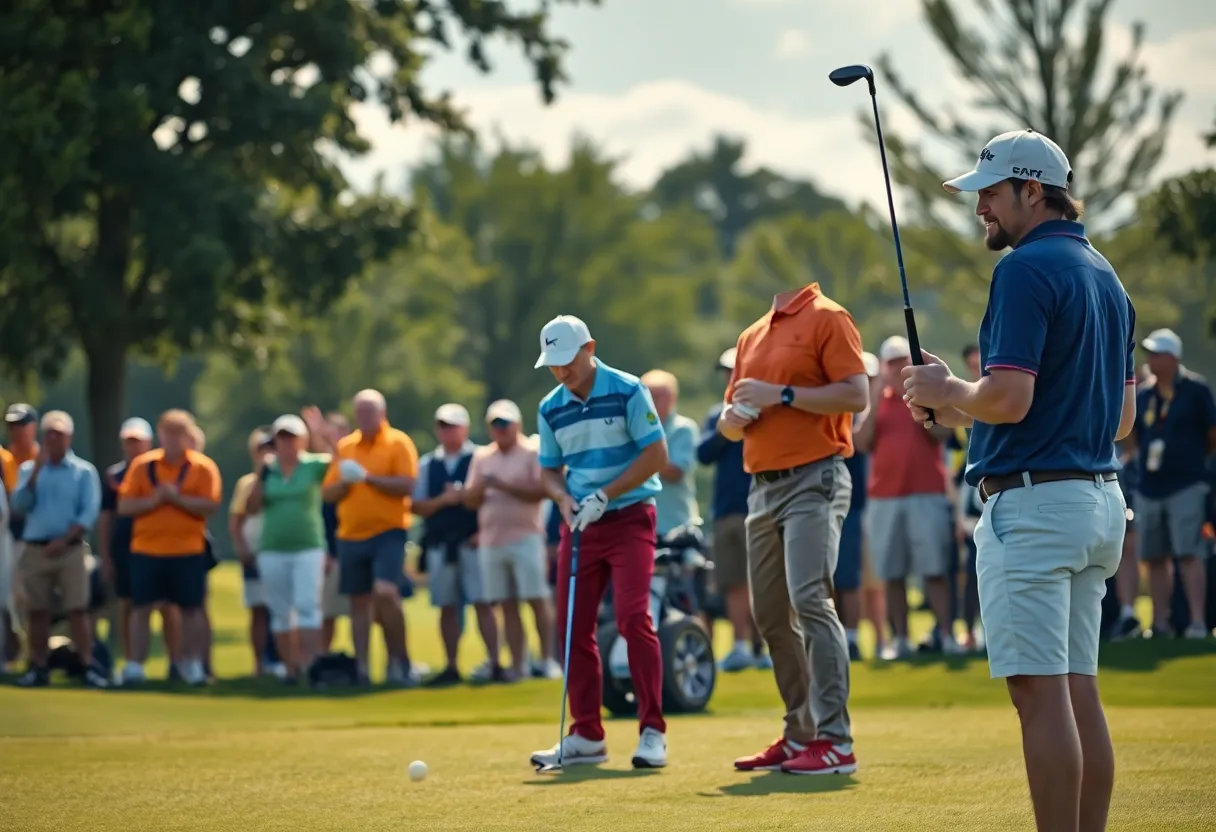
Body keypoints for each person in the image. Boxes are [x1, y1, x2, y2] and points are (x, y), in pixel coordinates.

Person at [903, 129, 1135, 832]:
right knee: (1076, 691)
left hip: (1035, 508)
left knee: (1040, 698)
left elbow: (1007, 400)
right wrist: (955, 402)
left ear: (1033, 191)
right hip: (1097, 502)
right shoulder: (1106, 275)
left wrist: (950, 391)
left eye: (991, 195)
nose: (981, 211)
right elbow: (1120, 418)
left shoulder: (1024, 270)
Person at [719, 281, 867, 776]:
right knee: (769, 615)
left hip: (814, 477)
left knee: (809, 598)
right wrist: (736, 417)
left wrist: (780, 395)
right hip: (760, 488)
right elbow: (727, 422)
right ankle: (800, 732)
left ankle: (836, 741)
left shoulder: (830, 316)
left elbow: (856, 394)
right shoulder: (751, 335)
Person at [528, 315, 670, 771]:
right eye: (553, 364)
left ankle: (652, 731)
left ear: (590, 348)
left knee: (633, 618)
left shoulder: (627, 390)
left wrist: (606, 494)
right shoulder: (550, 407)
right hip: (580, 525)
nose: (561, 372)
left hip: (629, 517)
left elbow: (656, 453)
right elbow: (549, 470)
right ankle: (587, 734)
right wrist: (562, 499)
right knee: (571, 627)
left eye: (567, 361)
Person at [855, 335, 961, 658]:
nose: (897, 367)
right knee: (893, 573)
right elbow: (861, 441)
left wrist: (926, 404)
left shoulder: (925, 396)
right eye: (891, 362)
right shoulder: (879, 400)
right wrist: (874, 398)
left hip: (926, 492)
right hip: (885, 497)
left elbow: (944, 433)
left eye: (902, 360)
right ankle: (899, 640)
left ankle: (946, 634)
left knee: (934, 570)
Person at [322, 389, 421, 686]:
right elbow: (328, 492)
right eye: (360, 412)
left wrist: (368, 479)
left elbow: (407, 485)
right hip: (351, 534)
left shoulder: (398, 442)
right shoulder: (346, 446)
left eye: (370, 412)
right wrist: (344, 485)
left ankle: (399, 660)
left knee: (385, 592)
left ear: (382, 413)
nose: (364, 418)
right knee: (358, 603)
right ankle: (362, 669)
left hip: (388, 531)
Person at [118, 409, 222, 686]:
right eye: (168, 433)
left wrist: (177, 499)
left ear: (188, 436)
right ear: (160, 434)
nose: (173, 440)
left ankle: (192, 664)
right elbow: (125, 505)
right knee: (141, 608)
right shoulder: (143, 466)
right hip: (147, 549)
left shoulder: (202, 467)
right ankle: (135, 666)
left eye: (179, 434)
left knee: (190, 609)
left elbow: (210, 505)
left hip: (187, 550)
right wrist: (154, 500)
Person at [1126, 328, 1214, 639]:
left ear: (1173, 358)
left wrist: (1194, 463)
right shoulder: (1146, 395)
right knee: (1155, 557)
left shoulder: (1195, 390)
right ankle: (1160, 625)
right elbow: (1132, 437)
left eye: (1156, 354)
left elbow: (1211, 435)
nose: (1150, 359)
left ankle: (1198, 622)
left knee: (1190, 553)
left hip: (1187, 484)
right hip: (1150, 487)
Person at [465, 399, 561, 681]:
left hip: (526, 537)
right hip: (492, 540)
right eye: (495, 425)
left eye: (505, 424)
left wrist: (503, 485)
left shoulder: (532, 451)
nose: (500, 430)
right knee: (506, 604)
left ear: (517, 424)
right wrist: (483, 487)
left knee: (536, 599)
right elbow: (470, 500)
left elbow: (541, 491)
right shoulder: (482, 457)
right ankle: (518, 664)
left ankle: (546, 659)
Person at [11, 411, 104, 688]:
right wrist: (36, 472)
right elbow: (19, 506)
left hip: (71, 549)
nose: (52, 438)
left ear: (69, 437)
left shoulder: (83, 471)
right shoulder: (30, 470)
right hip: (35, 549)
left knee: (78, 609)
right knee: (37, 612)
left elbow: (88, 512)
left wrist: (64, 540)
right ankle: (38, 666)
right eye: (48, 433)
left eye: (58, 434)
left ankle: (87, 665)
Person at [414, 403, 501, 685]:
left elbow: (492, 502)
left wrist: (482, 531)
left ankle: (496, 663)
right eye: (443, 426)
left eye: (452, 425)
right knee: (447, 606)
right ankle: (451, 666)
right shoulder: (428, 463)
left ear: (464, 428)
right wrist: (444, 500)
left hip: (474, 543)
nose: (447, 431)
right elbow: (417, 506)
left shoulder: (480, 457)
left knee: (483, 603)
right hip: (441, 544)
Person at [246, 412, 333, 683]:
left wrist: (324, 434)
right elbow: (252, 507)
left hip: (307, 546)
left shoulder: (314, 465)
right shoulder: (267, 471)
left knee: (308, 606)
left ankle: (309, 665)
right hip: (273, 548)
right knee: (280, 612)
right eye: (281, 439)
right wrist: (261, 473)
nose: (286, 444)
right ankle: (290, 669)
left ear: (303, 441)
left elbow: (341, 462)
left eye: (292, 438)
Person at [698, 347, 768, 672]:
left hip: (761, 507)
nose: (730, 377)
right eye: (726, 372)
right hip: (726, 512)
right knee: (735, 583)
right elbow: (704, 454)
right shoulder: (716, 415)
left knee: (763, 583)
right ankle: (740, 646)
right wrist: (728, 426)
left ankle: (763, 647)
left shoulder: (765, 409)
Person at [97, 418, 167, 674]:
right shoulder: (114, 476)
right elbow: (106, 517)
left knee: (166, 605)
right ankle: (131, 662)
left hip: (158, 545)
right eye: (128, 442)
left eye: (137, 442)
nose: (133, 447)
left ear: (148, 443)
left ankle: (177, 664)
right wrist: (105, 556)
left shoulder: (161, 470)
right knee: (128, 605)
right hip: (124, 548)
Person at [835, 351, 881, 661]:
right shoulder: (841, 411)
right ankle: (841, 638)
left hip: (856, 506)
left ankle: (852, 639)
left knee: (850, 579)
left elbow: (857, 443)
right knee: (836, 577)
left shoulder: (864, 413)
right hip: (836, 502)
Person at [228, 427, 284, 677]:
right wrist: (241, 548)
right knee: (259, 610)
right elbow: (238, 519)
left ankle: (283, 661)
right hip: (254, 553)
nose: (268, 454)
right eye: (263, 449)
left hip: (281, 553)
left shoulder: (286, 480)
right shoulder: (248, 483)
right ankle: (260, 665)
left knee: (281, 609)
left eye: (271, 448)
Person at [641, 370, 700, 538]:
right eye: (648, 395)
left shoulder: (683, 428)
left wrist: (638, 459)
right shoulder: (633, 430)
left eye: (659, 396)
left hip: (675, 525)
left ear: (673, 398)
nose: (652, 401)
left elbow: (675, 472)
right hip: (639, 526)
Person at [320, 411, 352, 651]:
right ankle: (322, 663)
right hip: (329, 553)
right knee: (326, 613)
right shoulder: (319, 468)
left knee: (364, 611)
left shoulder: (352, 464)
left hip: (355, 547)